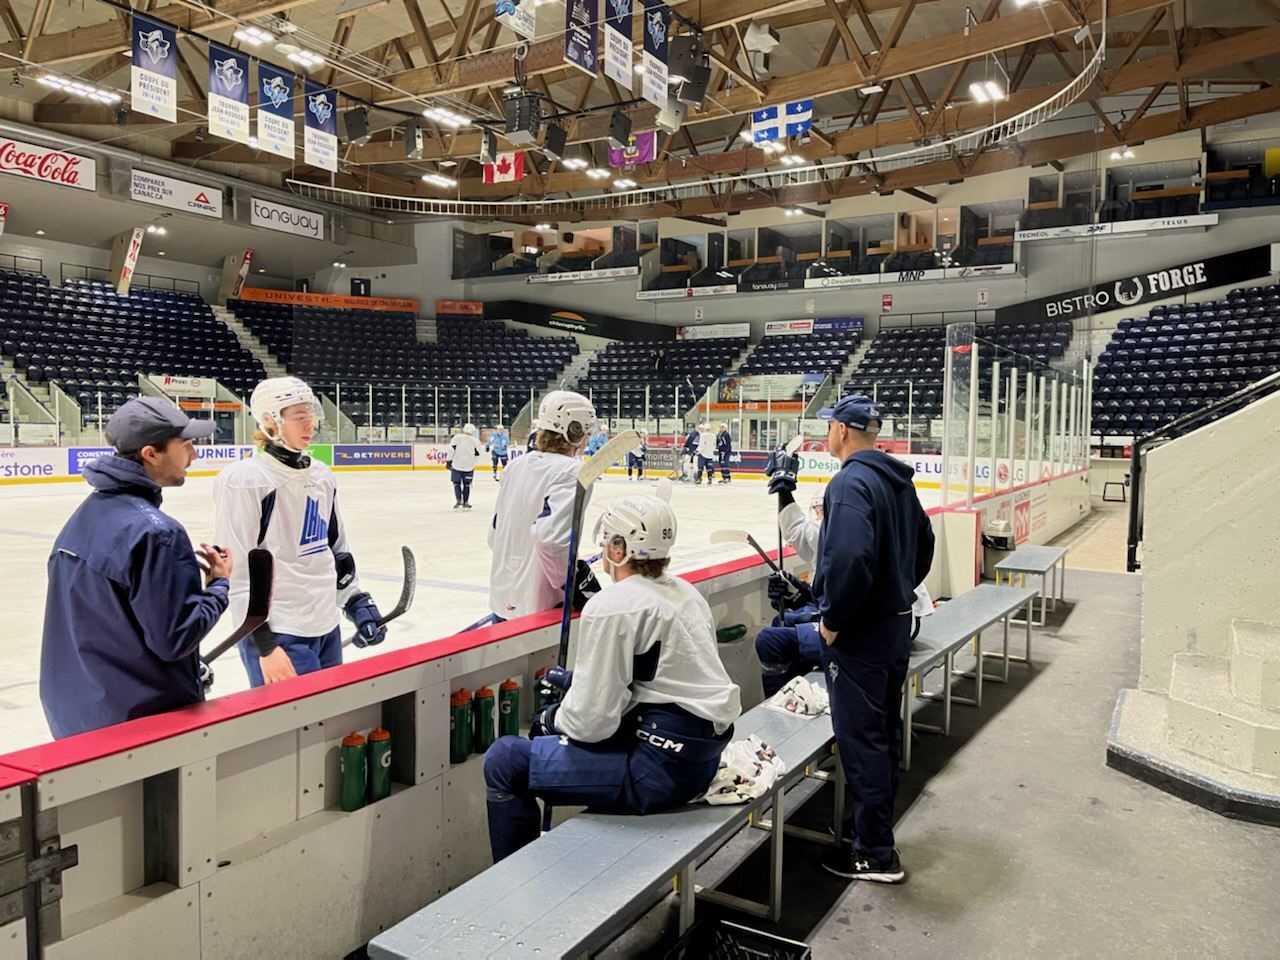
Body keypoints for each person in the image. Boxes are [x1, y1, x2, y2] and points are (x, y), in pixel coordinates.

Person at [482, 495, 742, 862]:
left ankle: (516, 885)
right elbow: (653, 681)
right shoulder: (686, 594)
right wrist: (577, 682)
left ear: (620, 548)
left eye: (608, 541)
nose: (603, 549)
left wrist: (551, 719)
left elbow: (591, 723)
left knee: (505, 759)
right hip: (698, 760)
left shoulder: (614, 605)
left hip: (657, 771)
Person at [40, 398, 232, 739]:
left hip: (78, 717)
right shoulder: (157, 533)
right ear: (150, 454)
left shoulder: (83, 518)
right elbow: (175, 639)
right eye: (186, 445)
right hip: (139, 727)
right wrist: (218, 586)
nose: (194, 455)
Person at [810, 394, 935, 884]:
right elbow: (923, 545)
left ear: (842, 430)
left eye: (828, 426)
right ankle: (875, 831)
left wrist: (835, 618)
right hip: (894, 625)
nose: (826, 434)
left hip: (860, 633)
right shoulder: (897, 482)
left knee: (861, 738)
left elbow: (847, 560)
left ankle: (875, 853)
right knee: (881, 733)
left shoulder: (849, 483)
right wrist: (898, 588)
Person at [214, 377, 386, 687]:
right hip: (279, 631)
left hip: (324, 623)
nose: (311, 424)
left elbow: (337, 551)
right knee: (294, 731)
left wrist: (356, 602)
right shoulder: (246, 480)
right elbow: (236, 573)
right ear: (269, 420)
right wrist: (264, 644)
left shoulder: (321, 475)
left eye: (312, 414)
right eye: (299, 416)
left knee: (330, 723)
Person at [482, 390, 603, 626]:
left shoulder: (515, 466)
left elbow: (494, 535)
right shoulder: (574, 472)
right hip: (542, 605)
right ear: (574, 432)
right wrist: (570, 581)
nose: (587, 439)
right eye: (586, 432)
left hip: (502, 597)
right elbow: (551, 539)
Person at [448, 422, 485, 509]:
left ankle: (458, 501)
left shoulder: (456, 438)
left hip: (456, 465)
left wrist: (448, 461)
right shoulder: (475, 441)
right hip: (469, 466)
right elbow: (479, 454)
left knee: (456, 483)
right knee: (467, 484)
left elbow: (451, 450)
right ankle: (465, 502)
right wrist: (474, 462)